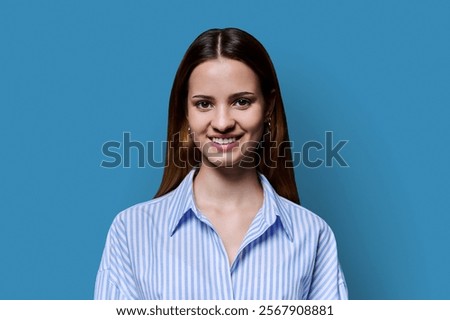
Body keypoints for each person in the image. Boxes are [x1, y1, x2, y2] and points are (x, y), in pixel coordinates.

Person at [94, 28, 348, 300]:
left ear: (268, 107)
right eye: (204, 104)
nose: (223, 122)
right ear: (186, 113)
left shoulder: (313, 235)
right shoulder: (131, 232)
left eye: (241, 102)